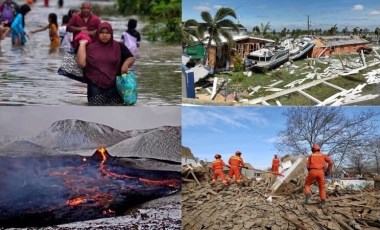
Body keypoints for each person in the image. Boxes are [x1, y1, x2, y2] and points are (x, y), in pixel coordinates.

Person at [76, 22, 135, 105]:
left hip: (114, 86)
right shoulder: (90, 47)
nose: (105, 35)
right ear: (98, 33)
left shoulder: (119, 46)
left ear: (111, 34)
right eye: (102, 32)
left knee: (115, 110)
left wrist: (126, 64)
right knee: (95, 108)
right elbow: (81, 63)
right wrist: (82, 44)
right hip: (94, 84)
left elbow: (131, 57)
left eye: (107, 33)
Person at [304, 144, 333, 208]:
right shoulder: (323, 155)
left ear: (312, 150)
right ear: (319, 149)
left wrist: (310, 172)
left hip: (312, 171)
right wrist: (328, 171)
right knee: (322, 188)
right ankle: (322, 203)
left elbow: (307, 166)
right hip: (321, 172)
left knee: (307, 184)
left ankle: (308, 194)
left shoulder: (311, 156)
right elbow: (331, 162)